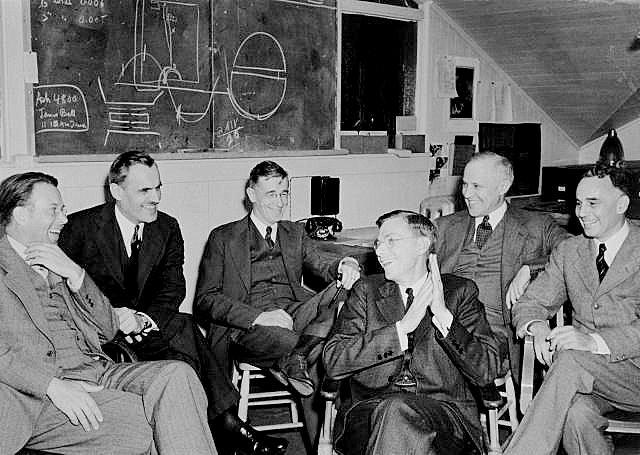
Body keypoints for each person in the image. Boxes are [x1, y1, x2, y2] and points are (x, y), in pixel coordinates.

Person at [59, 151, 281, 455]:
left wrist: (143, 320)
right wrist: (113, 317)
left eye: (158, 187)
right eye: (145, 190)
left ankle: (212, 427)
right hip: (99, 333)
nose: (156, 198)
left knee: (183, 334)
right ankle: (224, 426)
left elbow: (173, 288)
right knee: (184, 340)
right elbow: (62, 295)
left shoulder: (167, 227)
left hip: (146, 327)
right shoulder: (78, 228)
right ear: (116, 191)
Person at [0, 172, 217, 455]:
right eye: (54, 210)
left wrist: (76, 275)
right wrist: (52, 385)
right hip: (37, 396)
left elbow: (108, 329)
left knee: (178, 376)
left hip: (97, 372)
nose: (64, 219)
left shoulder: (59, 258)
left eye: (63, 209)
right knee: (152, 419)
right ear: (20, 215)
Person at [194, 161, 361, 443]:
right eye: (271, 194)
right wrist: (259, 317)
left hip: (296, 313)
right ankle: (323, 444)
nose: (280, 202)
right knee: (318, 353)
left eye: (284, 193)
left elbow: (321, 263)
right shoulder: (223, 237)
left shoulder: (294, 232)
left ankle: (296, 358)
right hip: (249, 327)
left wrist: (344, 264)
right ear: (251, 194)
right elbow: (205, 299)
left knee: (344, 289)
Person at [323, 210, 501, 455]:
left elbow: (487, 370)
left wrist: (443, 315)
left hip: (444, 417)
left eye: (391, 241)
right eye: (378, 243)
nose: (379, 250)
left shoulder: (459, 292)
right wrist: (401, 329)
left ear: (422, 245)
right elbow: (334, 360)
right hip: (370, 414)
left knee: (398, 412)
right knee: (396, 412)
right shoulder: (366, 291)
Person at [505, 161, 640, 455]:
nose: (581, 212)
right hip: (588, 379)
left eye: (593, 203)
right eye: (579, 203)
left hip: (633, 373)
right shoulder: (570, 251)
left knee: (570, 358)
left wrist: (593, 342)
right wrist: (537, 326)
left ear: (622, 204)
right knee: (577, 415)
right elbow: (531, 302)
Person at [435, 152, 568, 388]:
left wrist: (530, 268)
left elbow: (576, 251)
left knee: (438, 367)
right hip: (443, 327)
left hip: (493, 335)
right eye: (465, 184)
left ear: (503, 186)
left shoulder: (536, 225)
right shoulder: (445, 226)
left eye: (477, 186)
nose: (466, 193)